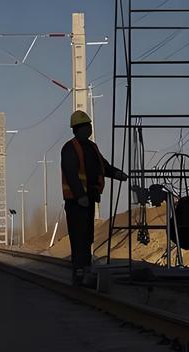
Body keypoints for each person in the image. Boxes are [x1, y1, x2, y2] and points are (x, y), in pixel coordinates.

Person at [61, 109, 127, 286]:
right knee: (79, 236)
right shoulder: (70, 148)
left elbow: (102, 166)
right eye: (87, 126)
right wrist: (80, 195)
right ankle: (79, 272)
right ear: (78, 128)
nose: (90, 128)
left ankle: (85, 269)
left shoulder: (92, 147)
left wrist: (116, 173)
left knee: (87, 236)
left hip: (89, 199)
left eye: (89, 125)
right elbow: (71, 174)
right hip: (76, 202)